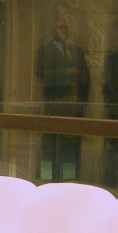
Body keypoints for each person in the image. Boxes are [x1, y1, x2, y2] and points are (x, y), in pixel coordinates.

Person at [35, 15, 89, 181]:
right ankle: (50, 178)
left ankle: (72, 178)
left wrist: (82, 102)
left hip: (74, 104)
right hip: (54, 101)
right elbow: (41, 74)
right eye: (60, 28)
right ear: (53, 31)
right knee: (52, 142)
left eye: (66, 28)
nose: (64, 31)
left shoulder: (77, 51)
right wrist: (66, 73)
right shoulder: (45, 51)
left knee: (72, 143)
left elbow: (85, 77)